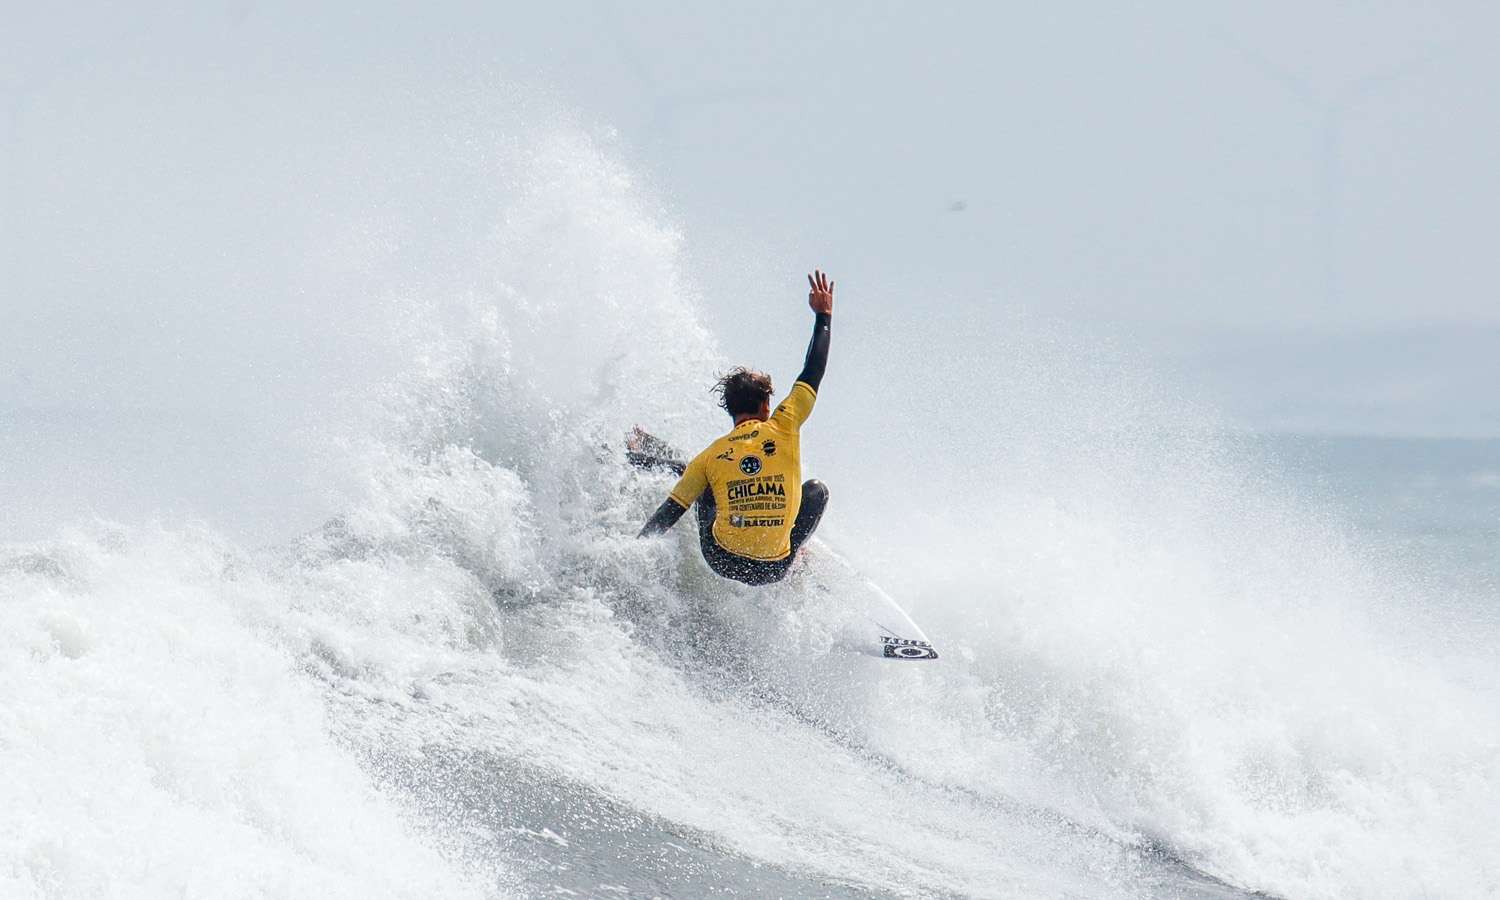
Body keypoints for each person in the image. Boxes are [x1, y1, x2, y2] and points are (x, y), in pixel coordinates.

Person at [635, 269, 835, 585]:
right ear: (767, 405)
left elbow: (669, 513)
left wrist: (634, 552)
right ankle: (796, 552)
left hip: (722, 561)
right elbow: (814, 370)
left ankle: (638, 457)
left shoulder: (713, 454)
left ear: (730, 410)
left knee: (701, 479)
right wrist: (823, 316)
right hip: (774, 569)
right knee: (817, 490)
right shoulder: (786, 423)